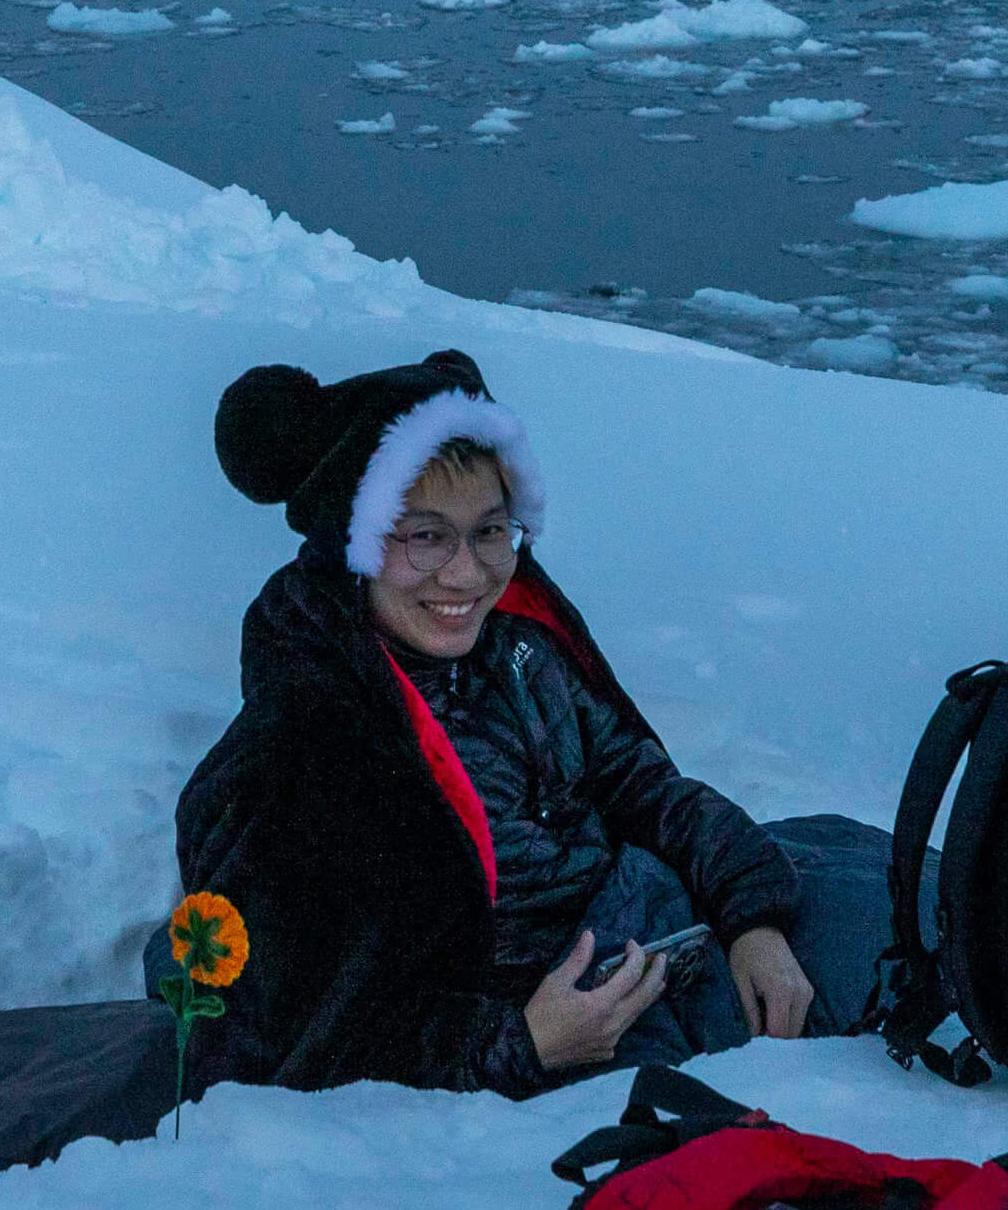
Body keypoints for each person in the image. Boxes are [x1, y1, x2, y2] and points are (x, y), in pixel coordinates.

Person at [170, 348, 899, 1099]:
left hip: (642, 931)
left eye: (490, 532)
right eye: (424, 536)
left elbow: (642, 788)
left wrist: (754, 917)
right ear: (353, 544)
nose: (467, 574)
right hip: (555, 1020)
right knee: (903, 946)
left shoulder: (518, 655)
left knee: (890, 880)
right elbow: (299, 1032)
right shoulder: (301, 753)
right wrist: (522, 1044)